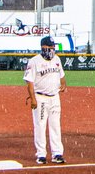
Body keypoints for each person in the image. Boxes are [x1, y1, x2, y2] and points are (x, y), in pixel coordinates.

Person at [23, 35, 67, 164]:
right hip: (40, 97)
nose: (53, 49)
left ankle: (57, 153)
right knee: (40, 125)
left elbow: (62, 76)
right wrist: (33, 99)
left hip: (55, 97)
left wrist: (63, 84)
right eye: (50, 47)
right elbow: (29, 82)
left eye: (53, 47)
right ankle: (41, 154)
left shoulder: (57, 59)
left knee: (55, 125)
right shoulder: (34, 61)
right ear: (43, 47)